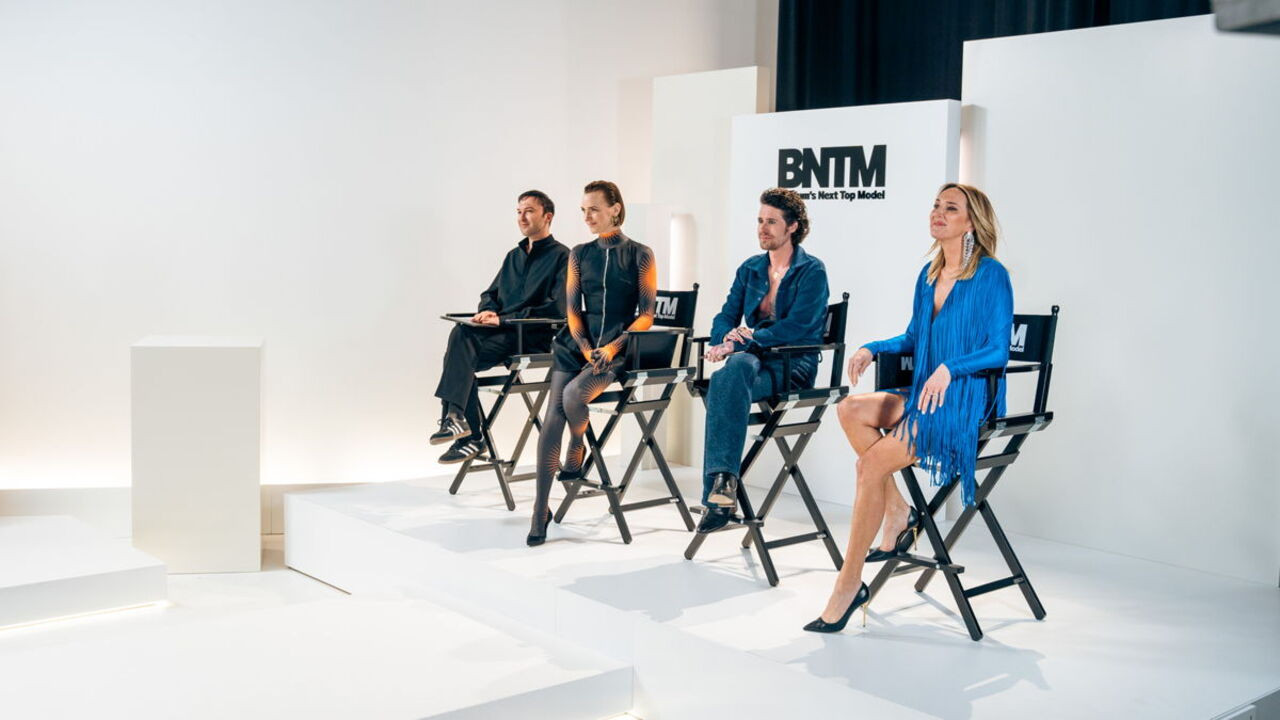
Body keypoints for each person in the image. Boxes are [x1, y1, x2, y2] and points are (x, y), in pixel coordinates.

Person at [805, 183, 1013, 633]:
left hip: (963, 402)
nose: (938, 213)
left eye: (950, 208)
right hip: (924, 395)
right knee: (849, 409)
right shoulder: (929, 275)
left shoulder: (991, 275)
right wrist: (873, 347)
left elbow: (998, 350)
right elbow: (915, 338)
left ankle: (849, 584)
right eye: (936, 205)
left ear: (971, 222)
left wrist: (951, 368)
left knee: (869, 466)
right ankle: (898, 510)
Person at [527, 180, 657, 546]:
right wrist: (585, 347)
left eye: (594, 209)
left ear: (615, 209)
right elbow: (572, 310)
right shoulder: (579, 253)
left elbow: (647, 314)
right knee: (552, 415)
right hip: (576, 345)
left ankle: (577, 443)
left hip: (619, 346)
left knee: (573, 395)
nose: (587, 217)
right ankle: (539, 509)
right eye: (583, 210)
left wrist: (612, 348)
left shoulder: (640, 254)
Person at [696, 188, 830, 534]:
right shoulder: (751, 269)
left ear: (792, 227)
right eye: (760, 220)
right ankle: (724, 483)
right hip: (753, 360)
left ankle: (717, 495)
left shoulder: (812, 271)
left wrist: (747, 338)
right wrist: (725, 340)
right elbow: (725, 315)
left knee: (724, 382)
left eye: (771, 222)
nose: (762, 228)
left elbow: (798, 327)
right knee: (734, 369)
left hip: (793, 364)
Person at [430, 191, 569, 464]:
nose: (522, 217)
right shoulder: (513, 256)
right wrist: (488, 310)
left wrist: (504, 320)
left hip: (530, 337)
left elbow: (557, 309)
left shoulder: (563, 256)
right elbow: (490, 293)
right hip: (501, 335)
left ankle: (468, 434)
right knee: (460, 341)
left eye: (529, 211)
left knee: (458, 356)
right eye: (518, 212)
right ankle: (458, 422)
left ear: (547, 217)